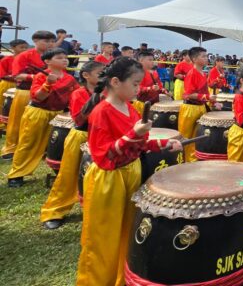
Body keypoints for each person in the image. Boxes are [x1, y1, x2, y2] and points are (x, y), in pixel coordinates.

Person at [75, 57, 182, 285]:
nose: (139, 89)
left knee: (127, 229)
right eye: (134, 84)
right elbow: (104, 155)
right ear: (115, 82)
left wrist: (164, 145)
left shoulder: (131, 109)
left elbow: (139, 144)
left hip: (131, 171)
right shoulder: (101, 112)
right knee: (103, 237)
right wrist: (133, 134)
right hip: (108, 178)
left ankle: (120, 278)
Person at [39, 60, 105, 229]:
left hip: (100, 137)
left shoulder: (107, 92)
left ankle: (94, 209)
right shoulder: (78, 94)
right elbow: (79, 119)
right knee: (68, 176)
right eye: (100, 74)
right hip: (81, 135)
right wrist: (96, 100)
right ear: (86, 75)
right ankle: (55, 210)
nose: (103, 77)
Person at [7, 48, 77, 187]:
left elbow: (74, 96)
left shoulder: (70, 78)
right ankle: (17, 175)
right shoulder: (41, 76)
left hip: (58, 114)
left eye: (65, 57)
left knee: (56, 144)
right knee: (29, 143)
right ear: (47, 61)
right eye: (59, 57)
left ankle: (58, 172)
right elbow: (38, 97)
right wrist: (48, 83)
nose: (64, 59)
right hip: (39, 112)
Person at [2, 31, 56, 159]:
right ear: (35, 41)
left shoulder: (54, 56)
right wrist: (36, 77)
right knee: (18, 121)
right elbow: (17, 75)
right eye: (46, 41)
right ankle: (12, 148)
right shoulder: (24, 56)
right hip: (26, 92)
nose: (49, 44)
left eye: (51, 41)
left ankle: (43, 148)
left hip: (48, 93)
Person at [178, 47, 215, 162]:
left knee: (196, 137)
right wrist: (207, 97)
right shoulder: (191, 73)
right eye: (203, 56)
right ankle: (184, 161)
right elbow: (188, 94)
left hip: (200, 107)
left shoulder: (202, 73)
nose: (206, 58)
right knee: (187, 137)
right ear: (194, 59)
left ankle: (192, 160)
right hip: (190, 108)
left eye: (206, 56)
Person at [0, 39, 29, 144]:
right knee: (3, 105)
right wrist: (17, 77)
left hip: (21, 86)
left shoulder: (27, 61)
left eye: (26, 47)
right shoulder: (6, 59)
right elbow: (2, 74)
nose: (24, 49)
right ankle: (2, 125)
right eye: (21, 47)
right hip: (8, 84)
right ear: (13, 48)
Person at [133, 51, 164, 116]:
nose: (152, 62)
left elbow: (159, 86)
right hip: (142, 104)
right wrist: (149, 88)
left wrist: (163, 90)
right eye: (150, 60)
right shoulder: (137, 73)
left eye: (153, 60)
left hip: (155, 103)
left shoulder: (154, 73)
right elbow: (136, 89)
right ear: (141, 60)